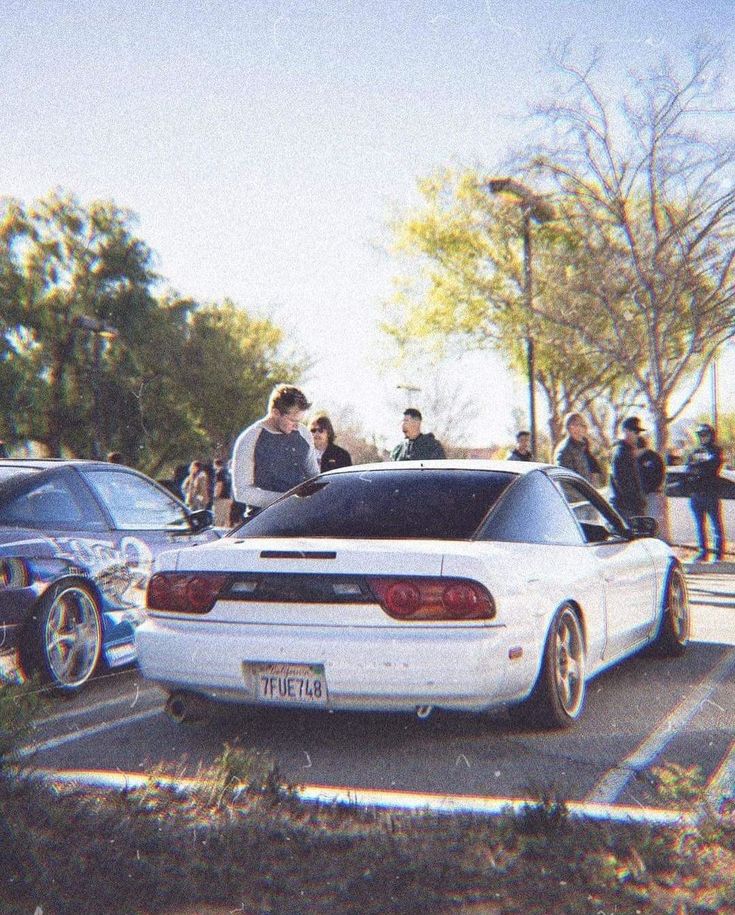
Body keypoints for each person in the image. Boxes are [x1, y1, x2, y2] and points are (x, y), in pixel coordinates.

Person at [230, 384, 320, 522]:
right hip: (262, 521)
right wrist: (287, 499)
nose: (296, 426)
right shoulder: (250, 438)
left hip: (299, 518)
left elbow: (314, 477)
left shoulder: (303, 433)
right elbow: (242, 492)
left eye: (300, 421)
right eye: (292, 420)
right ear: (275, 413)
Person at [686, 423, 725, 562]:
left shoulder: (716, 451)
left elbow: (712, 466)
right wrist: (698, 469)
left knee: (715, 525)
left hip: (710, 493)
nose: (703, 437)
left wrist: (699, 468)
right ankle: (703, 552)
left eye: (705, 434)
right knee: (699, 525)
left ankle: (718, 553)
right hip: (696, 494)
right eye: (700, 435)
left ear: (711, 435)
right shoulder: (695, 452)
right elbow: (689, 468)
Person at [609, 417, 646, 521]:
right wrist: (637, 504)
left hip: (632, 507)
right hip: (626, 509)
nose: (637, 435)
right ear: (626, 431)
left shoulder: (628, 452)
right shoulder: (621, 453)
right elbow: (624, 484)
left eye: (638, 432)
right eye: (635, 431)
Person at [554, 412, 603, 485]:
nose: (578, 428)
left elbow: (594, 473)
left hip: (589, 492)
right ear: (567, 427)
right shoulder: (564, 450)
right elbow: (565, 482)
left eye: (581, 425)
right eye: (574, 425)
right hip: (576, 495)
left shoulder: (585, 448)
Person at [637, 433, 670, 541]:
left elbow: (658, 478)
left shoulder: (653, 458)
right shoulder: (635, 459)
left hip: (654, 495)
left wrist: (647, 489)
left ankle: (663, 545)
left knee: (657, 524)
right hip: (641, 497)